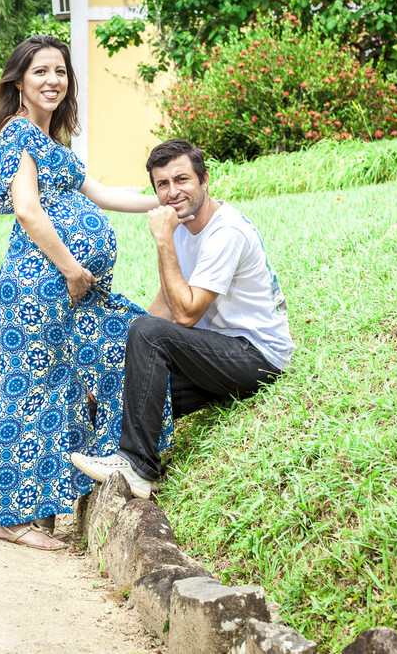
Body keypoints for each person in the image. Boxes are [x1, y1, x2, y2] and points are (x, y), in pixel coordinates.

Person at [0, 35, 168, 551]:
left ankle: (67, 487)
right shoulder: (17, 133)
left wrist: (166, 199)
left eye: (60, 72)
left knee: (117, 351)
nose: (52, 81)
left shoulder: (54, 147)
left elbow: (103, 193)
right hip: (41, 284)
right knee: (32, 390)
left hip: (71, 289)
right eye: (40, 71)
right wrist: (71, 268)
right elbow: (27, 211)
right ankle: (11, 517)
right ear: (19, 81)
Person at [72, 139, 294, 499]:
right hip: (215, 356)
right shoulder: (185, 228)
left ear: (204, 180)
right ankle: (56, 495)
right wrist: (126, 354)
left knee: (148, 334)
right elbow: (165, 302)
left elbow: (186, 314)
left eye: (182, 179)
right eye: (163, 184)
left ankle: (138, 468)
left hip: (256, 356)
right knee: (119, 391)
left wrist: (163, 241)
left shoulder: (226, 232)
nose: (173, 192)